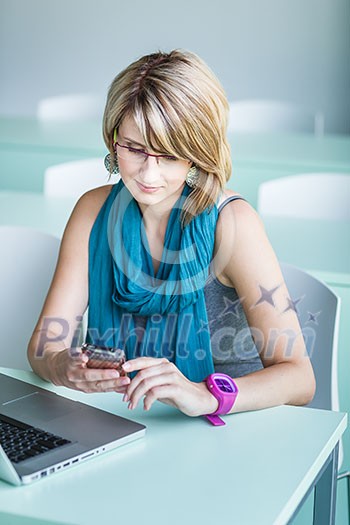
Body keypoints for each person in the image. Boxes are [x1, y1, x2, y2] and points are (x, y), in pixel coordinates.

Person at [28, 49, 315, 421]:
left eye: (168, 155)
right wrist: (60, 367)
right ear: (113, 140)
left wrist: (207, 395)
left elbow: (300, 378)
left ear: (196, 154)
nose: (148, 175)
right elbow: (43, 347)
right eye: (134, 149)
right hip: (123, 421)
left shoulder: (233, 224)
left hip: (231, 427)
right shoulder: (92, 211)